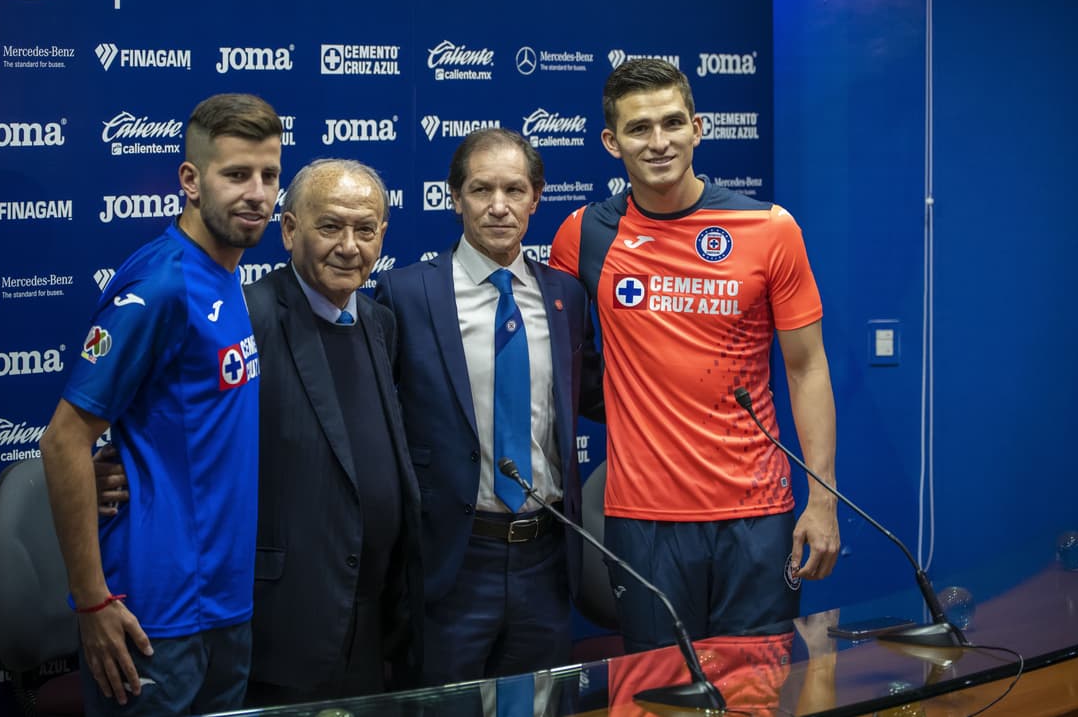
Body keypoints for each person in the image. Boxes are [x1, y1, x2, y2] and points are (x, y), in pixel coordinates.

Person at [97, 158, 424, 705]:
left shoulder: (378, 321)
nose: (349, 245)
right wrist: (109, 466)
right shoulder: (248, 319)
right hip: (284, 621)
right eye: (330, 227)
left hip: (371, 618)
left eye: (365, 230)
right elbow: (169, 424)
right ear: (290, 230)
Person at [549, 58, 840, 651]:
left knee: (758, 690)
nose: (659, 143)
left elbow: (807, 368)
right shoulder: (583, 236)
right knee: (658, 694)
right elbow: (559, 366)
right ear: (611, 142)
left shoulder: (768, 228)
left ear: (698, 128)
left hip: (757, 515)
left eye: (672, 123)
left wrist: (824, 500)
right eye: (638, 129)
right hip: (643, 521)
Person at [40, 93, 282, 716]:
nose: (256, 193)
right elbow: (64, 438)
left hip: (226, 600)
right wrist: (91, 602)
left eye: (269, 175)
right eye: (236, 175)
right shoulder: (163, 281)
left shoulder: (226, 271)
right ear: (191, 181)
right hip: (155, 611)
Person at [375, 128, 603, 684]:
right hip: (452, 560)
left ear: (535, 197)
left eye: (514, 190)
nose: (498, 207)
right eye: (481, 190)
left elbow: (602, 394)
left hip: (545, 560)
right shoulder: (406, 295)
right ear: (455, 198)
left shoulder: (566, 296)